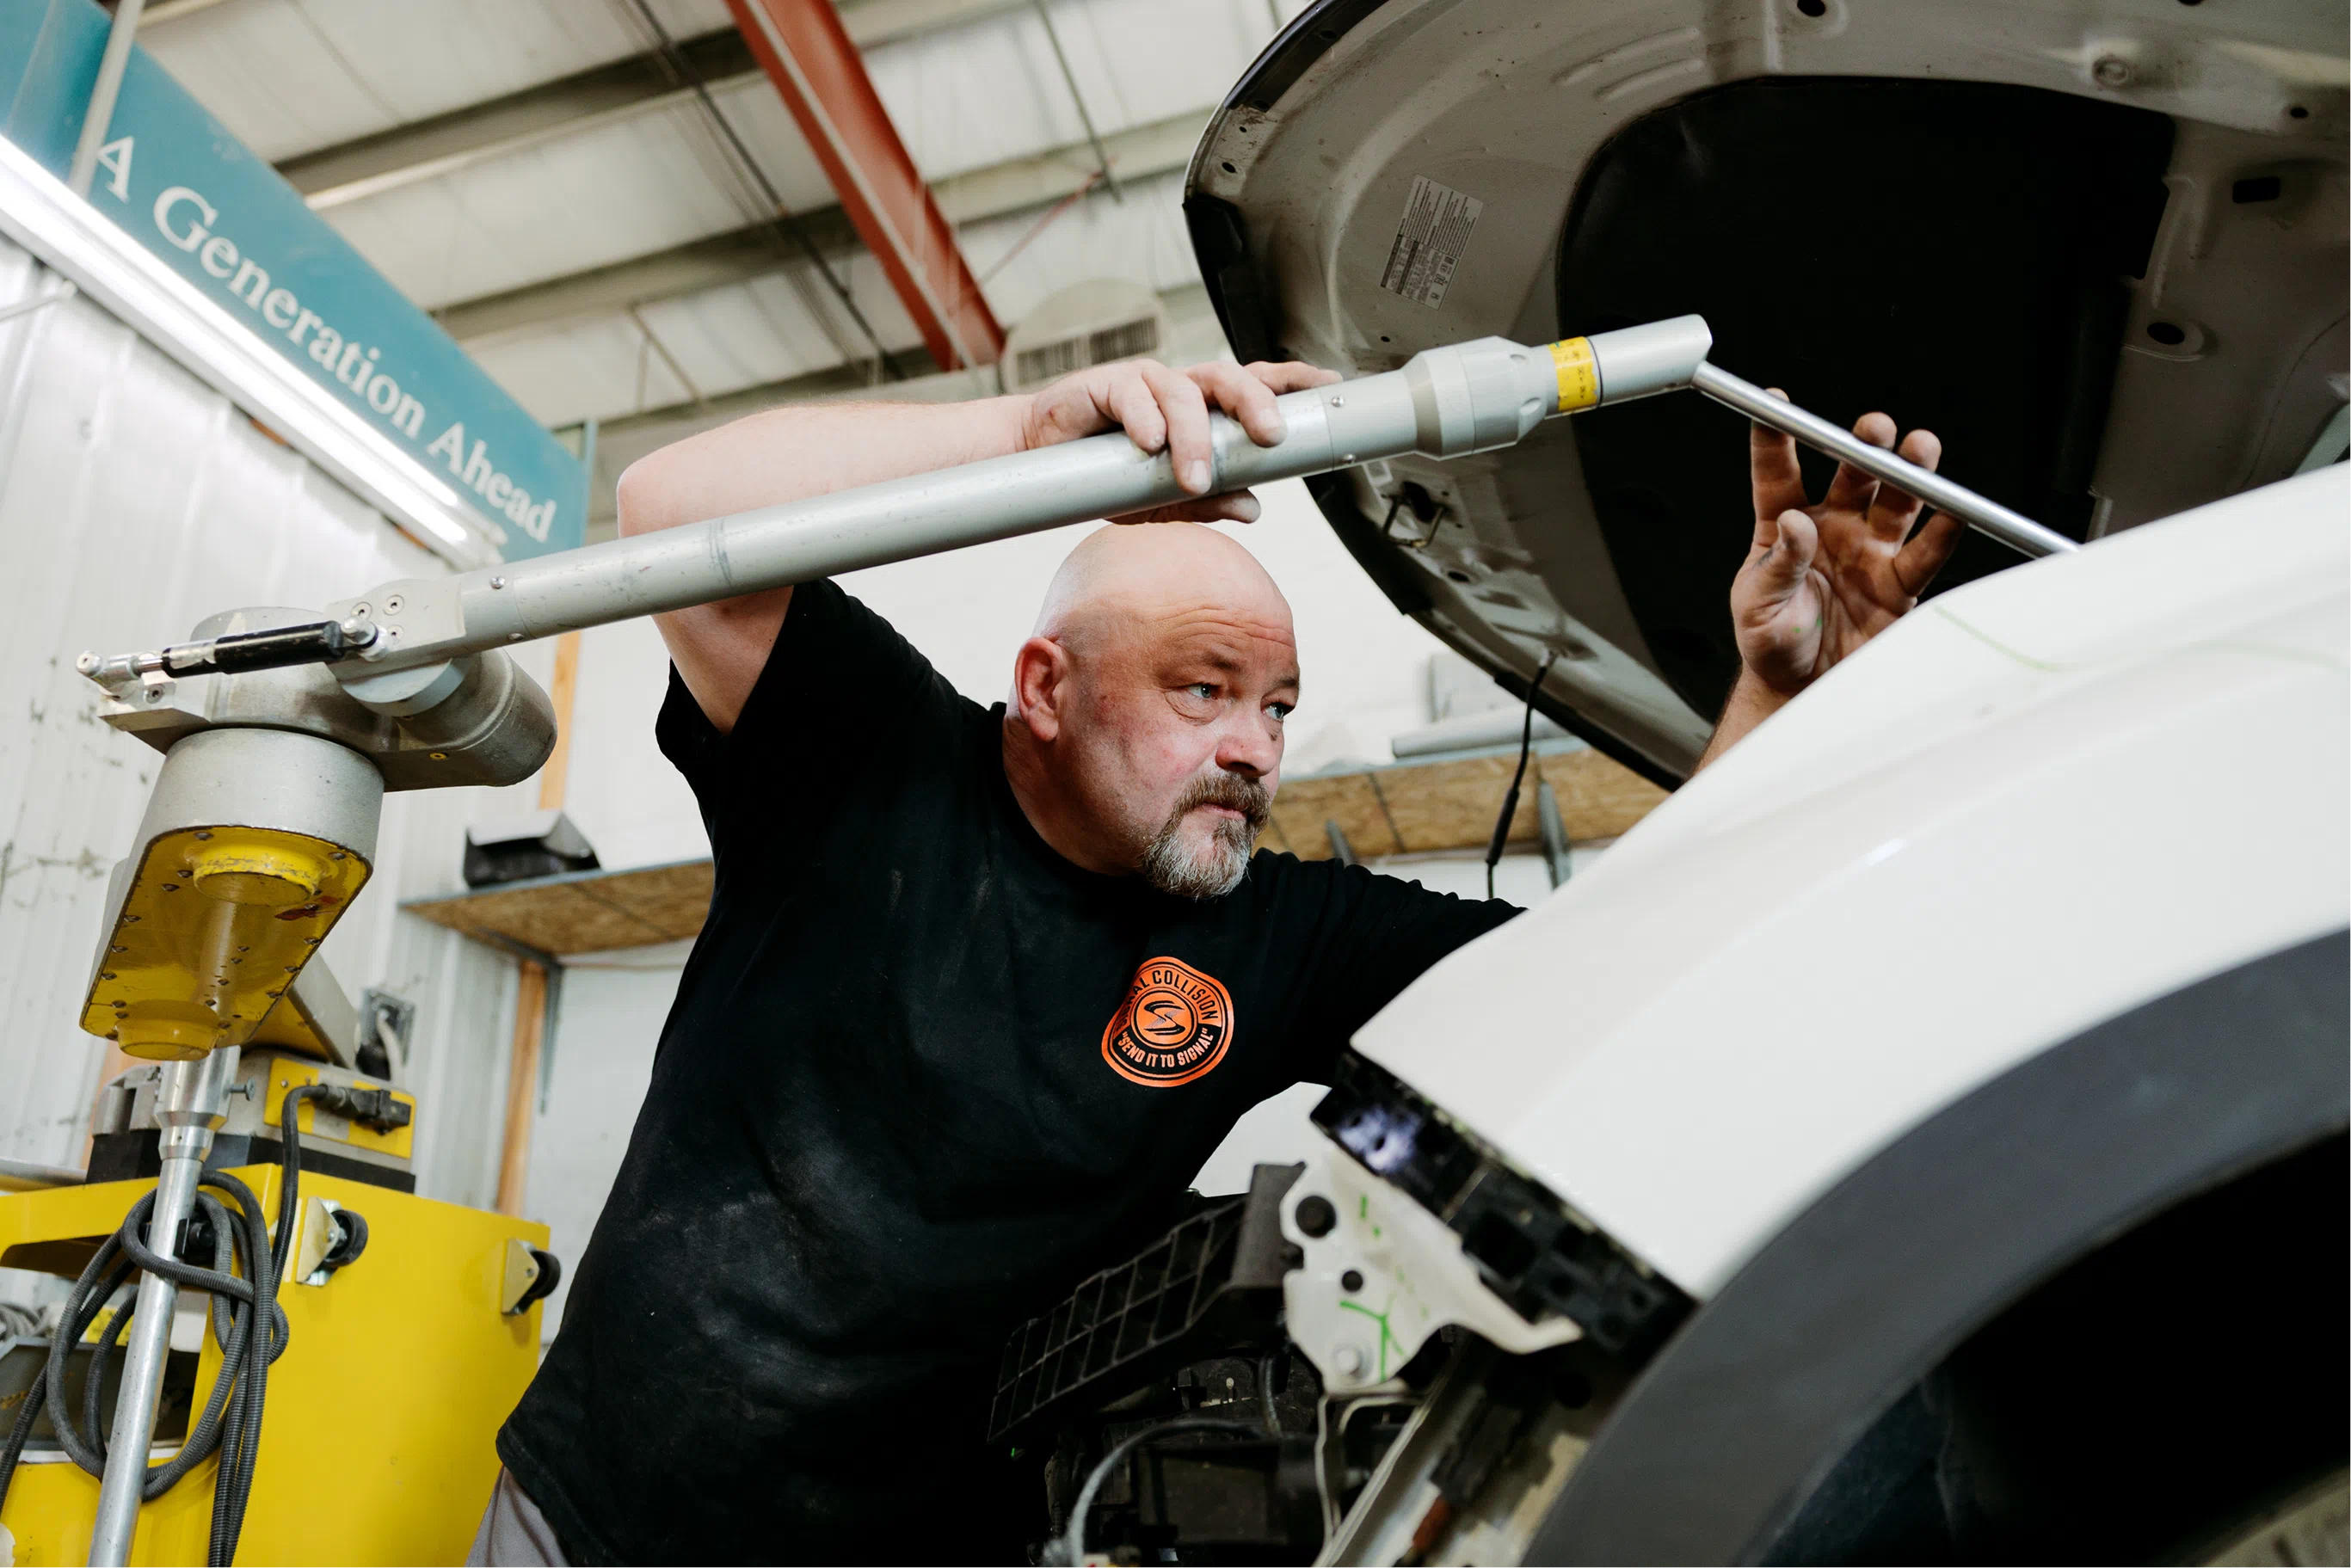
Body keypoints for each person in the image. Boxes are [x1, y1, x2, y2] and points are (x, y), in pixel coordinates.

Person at [466, 354, 1962, 1568]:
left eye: (1280, 705)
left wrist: (1778, 701)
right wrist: (1028, 428)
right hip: (602, 1517)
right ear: (1047, 687)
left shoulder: (1276, 934)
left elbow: (1615, 968)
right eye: (1204, 689)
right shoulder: (869, 765)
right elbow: (668, 509)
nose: (1254, 746)